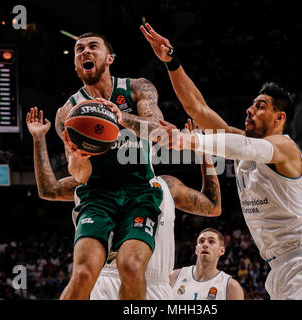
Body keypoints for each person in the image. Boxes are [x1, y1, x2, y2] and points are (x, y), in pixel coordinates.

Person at [140, 23, 302, 300]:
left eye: (261, 106)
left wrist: (190, 141)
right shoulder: (244, 143)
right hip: (278, 268)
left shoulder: (285, 147)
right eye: (252, 103)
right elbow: (198, 108)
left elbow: (241, 147)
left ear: (280, 118)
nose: (250, 108)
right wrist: (172, 61)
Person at [26, 109, 224, 299]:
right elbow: (48, 190)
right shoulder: (100, 185)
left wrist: (202, 150)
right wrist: (38, 138)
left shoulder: (166, 185)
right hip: (105, 279)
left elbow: (213, 207)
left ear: (150, 149)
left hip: (155, 283)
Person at [53, 32, 166, 300]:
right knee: (82, 274)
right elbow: (80, 175)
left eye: (93, 47)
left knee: (132, 266)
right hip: (97, 195)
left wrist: (120, 118)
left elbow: (158, 131)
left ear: (109, 58)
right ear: (76, 63)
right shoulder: (67, 113)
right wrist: (77, 154)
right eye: (79, 49)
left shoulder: (137, 87)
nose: (85, 52)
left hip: (139, 190)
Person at [170, 228, 244, 300]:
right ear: (196, 250)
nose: (205, 244)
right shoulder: (174, 276)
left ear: (221, 250)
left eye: (211, 241)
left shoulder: (231, 287)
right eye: (201, 241)